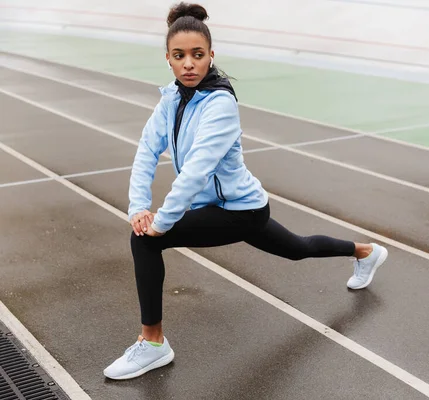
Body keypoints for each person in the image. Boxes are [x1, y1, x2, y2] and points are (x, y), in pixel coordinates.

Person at [103, 2, 388, 380]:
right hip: (237, 210)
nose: (189, 63)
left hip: (242, 210)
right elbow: (146, 150)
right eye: (179, 56)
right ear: (168, 59)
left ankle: (153, 344)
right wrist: (139, 207)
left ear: (211, 57)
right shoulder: (171, 98)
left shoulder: (220, 104)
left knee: (146, 242)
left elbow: (197, 171)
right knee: (298, 249)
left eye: (197, 55)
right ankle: (365, 251)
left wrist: (160, 223)